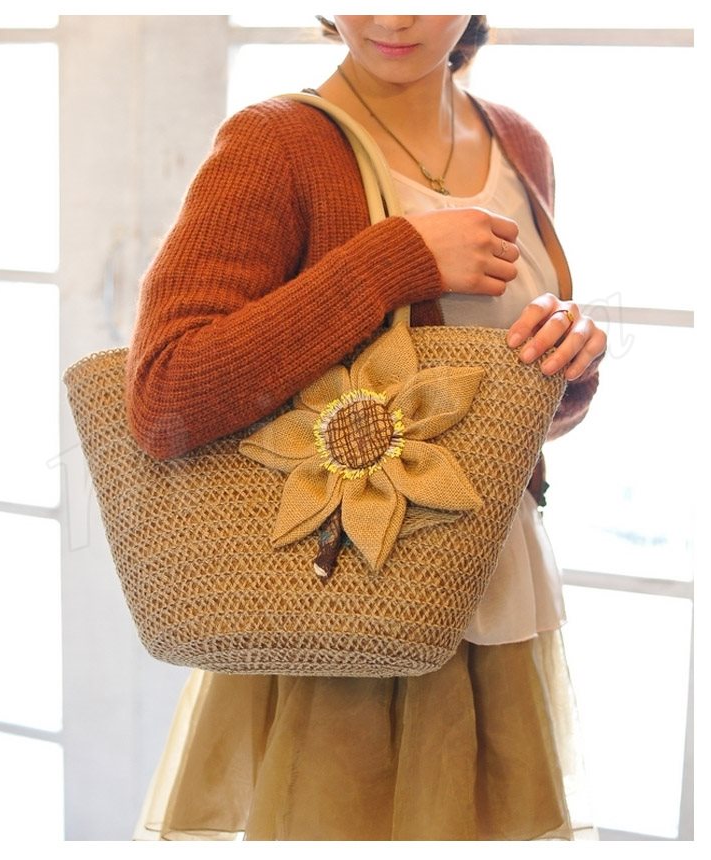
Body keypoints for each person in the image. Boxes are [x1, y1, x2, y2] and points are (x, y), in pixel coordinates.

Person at [126, 15, 607, 841]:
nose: (391, 16)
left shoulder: (519, 144)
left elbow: (499, 409)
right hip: (345, 607)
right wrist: (395, 260)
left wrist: (568, 369)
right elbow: (165, 394)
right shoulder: (275, 144)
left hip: (497, 604)